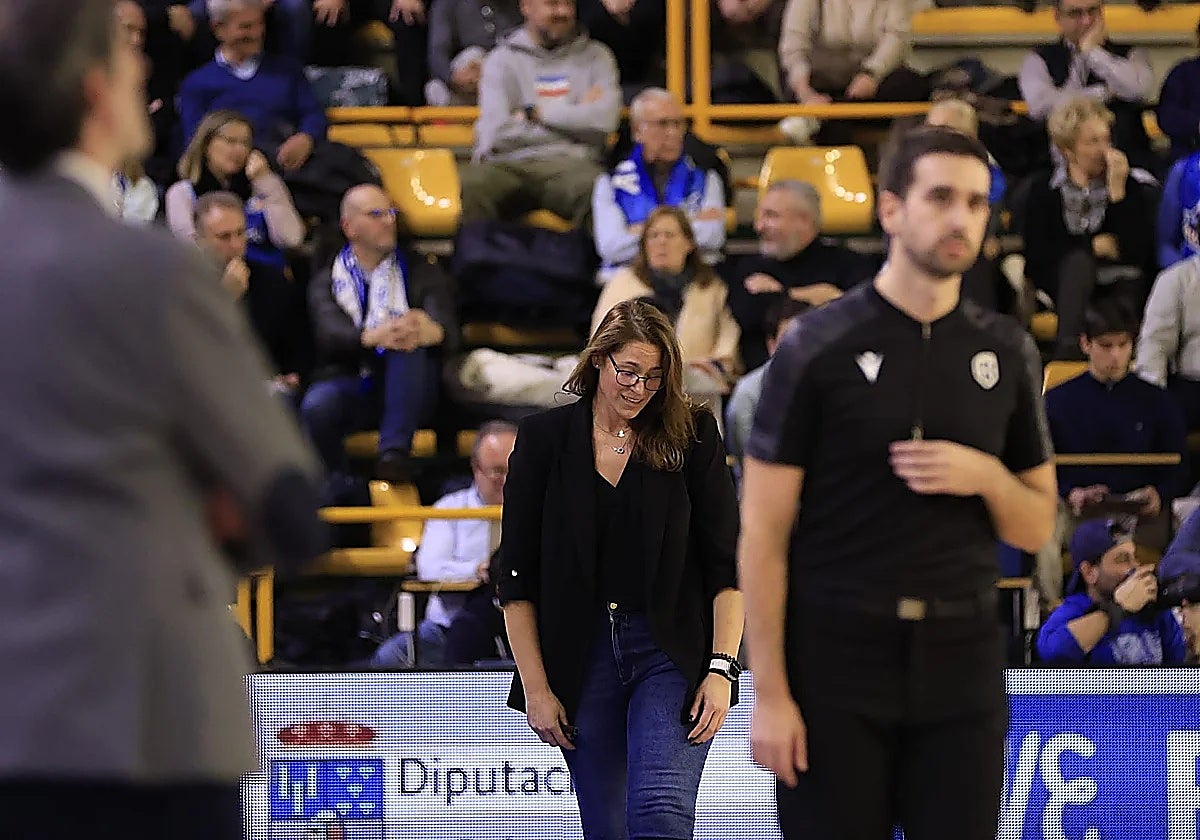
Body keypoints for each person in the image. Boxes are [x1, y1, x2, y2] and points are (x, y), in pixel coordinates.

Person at [0, 1, 325, 837]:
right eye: (133, 61)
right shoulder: (154, 271)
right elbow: (285, 507)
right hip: (148, 721)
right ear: (97, 93)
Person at [739, 126, 1057, 839]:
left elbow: (1036, 527)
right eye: (941, 197)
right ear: (890, 210)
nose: (960, 219)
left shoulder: (1005, 350)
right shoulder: (817, 348)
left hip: (963, 662)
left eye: (976, 203)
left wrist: (983, 477)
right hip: (835, 661)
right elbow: (762, 536)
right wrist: (771, 695)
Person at [496, 299, 744, 840]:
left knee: (659, 812)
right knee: (606, 826)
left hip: (669, 647)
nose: (638, 388)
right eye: (627, 371)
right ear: (597, 362)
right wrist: (536, 688)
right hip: (581, 654)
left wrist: (722, 668)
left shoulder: (693, 434)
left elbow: (728, 566)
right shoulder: (543, 439)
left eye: (653, 378)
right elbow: (515, 576)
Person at [303, 183, 455, 487]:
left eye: (391, 212)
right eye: (376, 214)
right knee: (317, 406)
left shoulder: (420, 268)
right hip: (353, 383)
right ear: (349, 227)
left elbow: (447, 327)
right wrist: (372, 337)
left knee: (405, 343)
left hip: (411, 389)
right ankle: (339, 485)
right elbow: (329, 334)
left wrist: (429, 330)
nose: (388, 221)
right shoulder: (327, 278)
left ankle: (393, 456)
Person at [591, 206, 741, 403]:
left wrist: (715, 364)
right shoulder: (621, 284)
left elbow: (728, 338)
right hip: (632, 382)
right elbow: (601, 340)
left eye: (669, 235)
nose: (661, 242)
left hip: (696, 386)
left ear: (689, 243)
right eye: (653, 236)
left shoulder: (711, 286)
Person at [592, 88, 726, 281]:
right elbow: (611, 246)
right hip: (629, 282)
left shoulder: (706, 177)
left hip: (692, 280)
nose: (673, 133)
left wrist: (643, 229)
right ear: (638, 131)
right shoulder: (610, 183)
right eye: (662, 124)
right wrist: (688, 224)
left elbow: (713, 237)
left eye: (678, 124)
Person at [165, 109, 305, 271]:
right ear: (206, 145)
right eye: (231, 141)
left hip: (270, 279)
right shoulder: (182, 193)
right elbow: (190, 254)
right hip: (215, 281)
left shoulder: (263, 186)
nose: (239, 150)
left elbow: (292, 238)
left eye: (245, 143)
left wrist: (265, 181)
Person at [1036, 519, 1189, 665]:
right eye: (1122, 559)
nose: (1134, 566)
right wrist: (1118, 609)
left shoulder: (1154, 611)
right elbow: (1053, 653)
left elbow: (1178, 666)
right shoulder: (1076, 610)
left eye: (1134, 557)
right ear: (1089, 572)